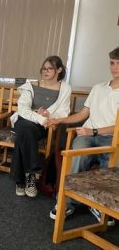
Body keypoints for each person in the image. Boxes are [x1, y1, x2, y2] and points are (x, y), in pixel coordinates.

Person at [48, 47, 119, 226]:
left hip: (111, 137)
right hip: (87, 136)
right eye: (112, 63)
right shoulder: (98, 88)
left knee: (111, 162)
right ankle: (66, 203)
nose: (115, 67)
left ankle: (99, 204)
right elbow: (83, 114)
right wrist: (60, 120)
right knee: (77, 153)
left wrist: (94, 131)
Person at [10, 56, 71, 198]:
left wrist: (49, 114)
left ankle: (20, 180)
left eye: (50, 68)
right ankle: (31, 174)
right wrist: (39, 115)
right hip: (26, 119)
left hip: (45, 124)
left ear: (59, 70)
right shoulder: (30, 86)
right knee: (25, 128)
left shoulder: (65, 88)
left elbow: (64, 112)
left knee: (22, 136)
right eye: (44, 68)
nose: (46, 71)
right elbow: (23, 109)